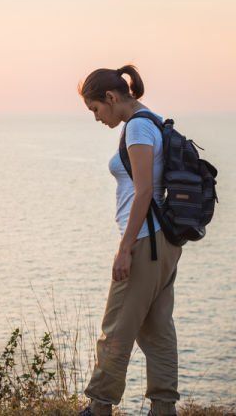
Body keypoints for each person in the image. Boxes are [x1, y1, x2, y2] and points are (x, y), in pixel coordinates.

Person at [78, 65, 183, 416]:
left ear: (111, 98)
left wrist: (125, 249)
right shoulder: (152, 119)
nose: (96, 118)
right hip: (164, 242)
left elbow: (143, 192)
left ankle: (99, 407)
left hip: (144, 241)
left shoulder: (137, 127)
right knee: (157, 329)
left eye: (95, 109)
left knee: (116, 327)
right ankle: (164, 408)